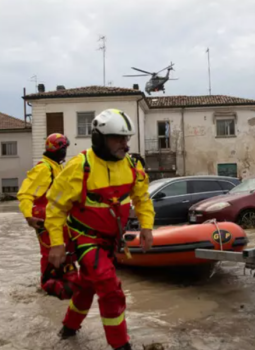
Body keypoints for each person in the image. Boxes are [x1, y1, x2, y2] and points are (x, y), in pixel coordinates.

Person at [45, 109, 155, 350]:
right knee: (110, 287)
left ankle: (68, 331)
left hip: (110, 242)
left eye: (126, 138)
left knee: (86, 288)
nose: (124, 144)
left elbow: (142, 198)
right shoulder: (79, 166)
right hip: (85, 240)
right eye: (117, 138)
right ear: (99, 138)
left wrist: (146, 227)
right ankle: (120, 345)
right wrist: (56, 243)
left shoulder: (132, 166)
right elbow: (55, 208)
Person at [17, 133, 75, 300]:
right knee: (50, 253)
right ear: (61, 149)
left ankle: (60, 284)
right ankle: (48, 287)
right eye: (65, 149)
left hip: (58, 218)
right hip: (46, 219)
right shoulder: (44, 168)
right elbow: (25, 194)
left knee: (62, 252)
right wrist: (29, 217)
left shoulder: (56, 167)